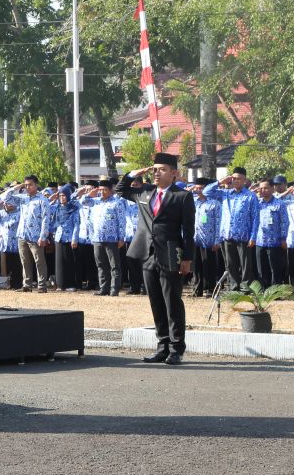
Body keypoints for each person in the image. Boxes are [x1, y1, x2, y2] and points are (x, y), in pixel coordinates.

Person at [118, 153, 196, 365]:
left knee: (172, 302)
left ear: (174, 173)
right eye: (154, 169)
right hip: (147, 254)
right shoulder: (145, 191)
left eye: (162, 169)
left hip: (170, 254)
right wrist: (133, 174)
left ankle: (176, 348)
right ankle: (162, 346)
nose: (156, 172)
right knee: (155, 301)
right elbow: (121, 190)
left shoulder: (183, 196)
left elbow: (189, 232)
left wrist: (187, 259)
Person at [201, 167, 257, 292]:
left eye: (239, 179)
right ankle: (234, 287)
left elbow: (255, 218)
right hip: (227, 235)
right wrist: (220, 182)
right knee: (230, 264)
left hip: (244, 236)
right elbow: (206, 192)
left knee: (245, 265)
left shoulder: (251, 196)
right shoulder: (225, 194)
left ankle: (246, 288)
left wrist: (253, 237)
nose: (236, 181)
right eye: (234, 178)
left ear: (244, 180)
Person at [0, 176, 51, 293]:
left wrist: (43, 236)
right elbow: (4, 198)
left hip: (35, 236)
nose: (28, 187)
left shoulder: (42, 200)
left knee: (39, 261)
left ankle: (42, 285)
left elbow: (46, 219)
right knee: (24, 261)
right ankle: (27, 284)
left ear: (36, 185)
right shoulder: (22, 198)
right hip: (22, 235)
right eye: (26, 185)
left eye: (30, 184)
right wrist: (17, 187)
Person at [78, 179, 125, 296]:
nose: (102, 192)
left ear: (111, 190)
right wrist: (90, 194)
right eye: (100, 189)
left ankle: (114, 289)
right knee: (101, 264)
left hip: (112, 238)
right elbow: (82, 202)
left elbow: (122, 221)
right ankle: (104, 288)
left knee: (114, 265)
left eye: (105, 190)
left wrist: (121, 237)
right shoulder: (95, 201)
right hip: (97, 238)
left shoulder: (116, 202)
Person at [250, 178, 289, 289]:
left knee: (275, 269)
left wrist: (283, 238)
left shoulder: (279, 204)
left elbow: (284, 222)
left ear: (272, 188)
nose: (263, 190)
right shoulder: (257, 203)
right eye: (261, 188)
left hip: (275, 242)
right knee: (261, 269)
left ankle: (275, 292)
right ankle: (264, 291)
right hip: (259, 241)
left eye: (266, 188)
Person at [190, 177, 223, 297]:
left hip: (209, 240)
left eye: (201, 188)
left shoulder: (214, 204)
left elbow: (219, 223)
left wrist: (217, 241)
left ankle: (210, 289)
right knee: (196, 266)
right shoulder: (192, 202)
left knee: (209, 265)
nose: (198, 190)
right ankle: (197, 290)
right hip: (195, 239)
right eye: (196, 187)